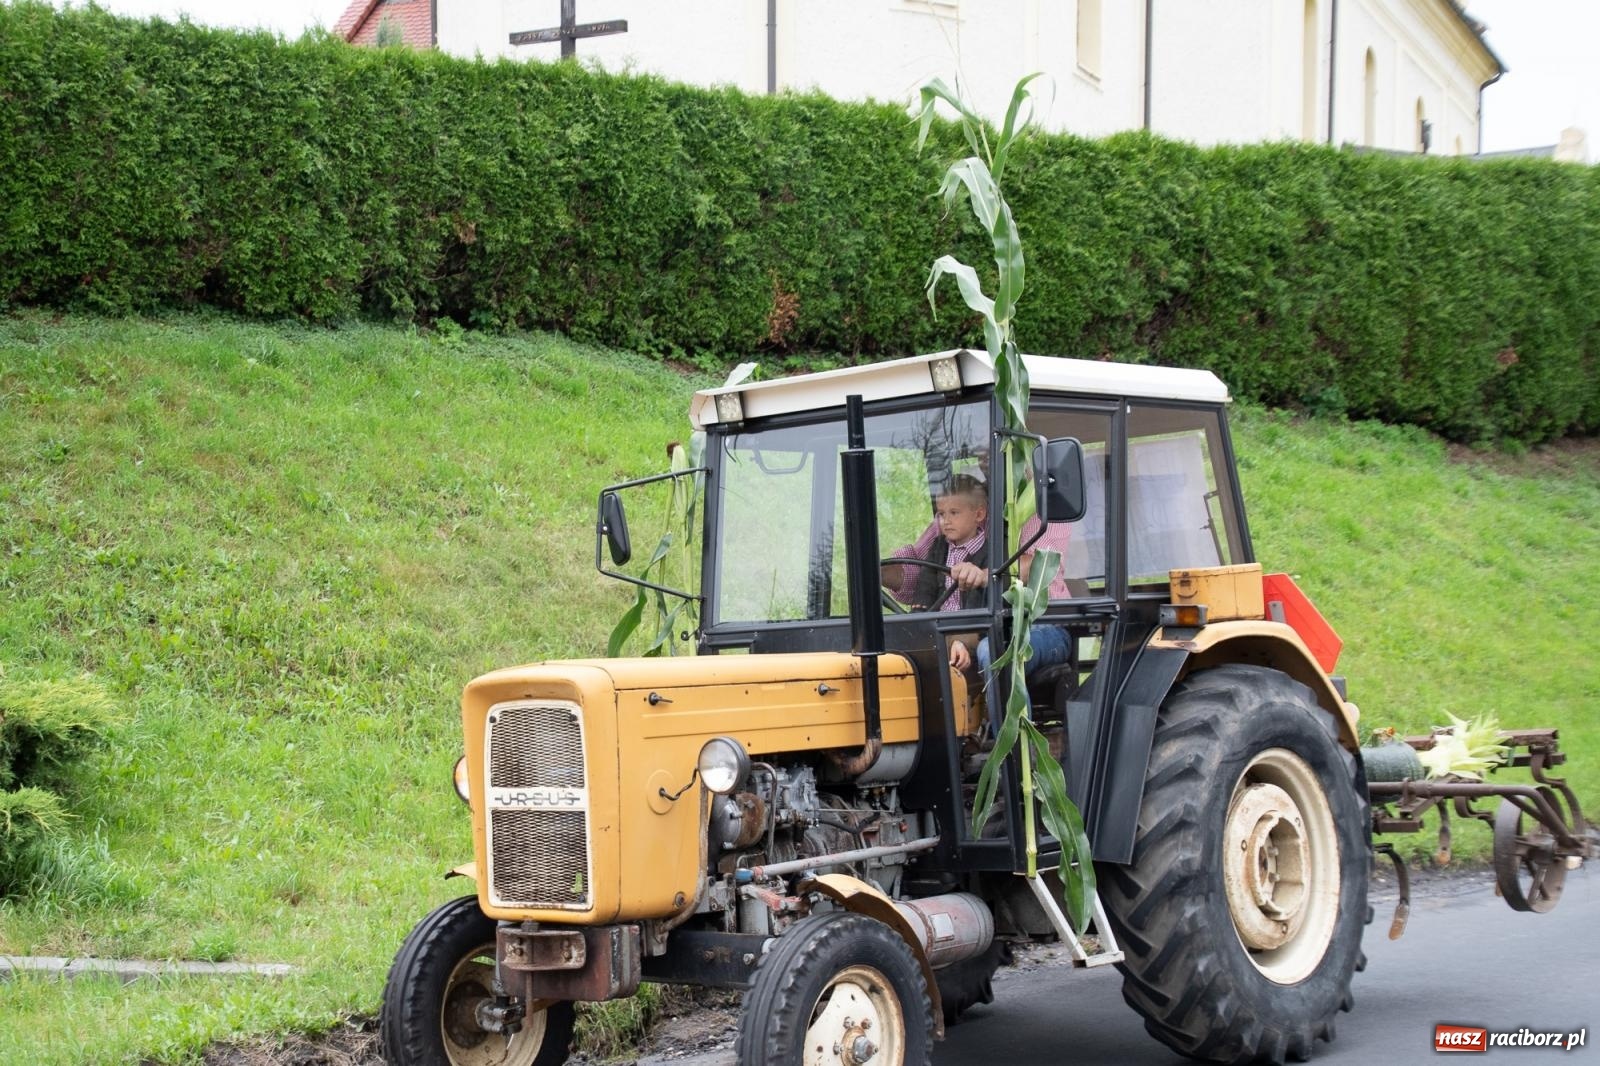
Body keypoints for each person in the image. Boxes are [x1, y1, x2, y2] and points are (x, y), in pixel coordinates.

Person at [880, 475, 989, 670]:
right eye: (941, 514)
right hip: (938, 629)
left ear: (979, 515)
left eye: (954, 513)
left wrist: (963, 640)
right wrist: (917, 621)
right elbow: (926, 586)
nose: (946, 521)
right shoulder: (939, 547)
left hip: (971, 633)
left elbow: (980, 608)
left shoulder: (990, 553)